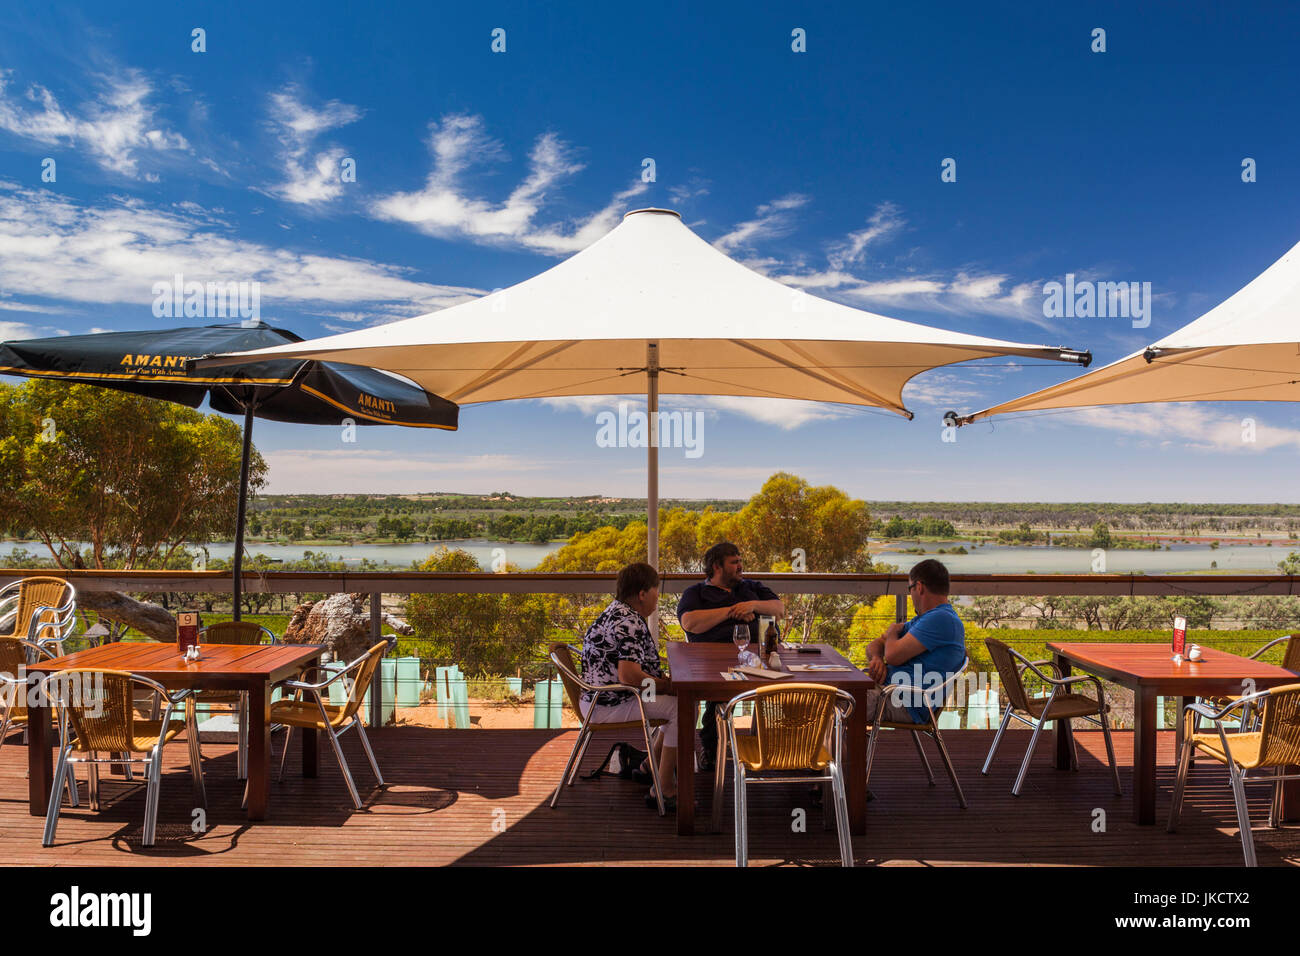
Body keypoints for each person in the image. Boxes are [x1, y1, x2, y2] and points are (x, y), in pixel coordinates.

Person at [675, 541, 785, 770]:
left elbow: (779, 609)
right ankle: (712, 752)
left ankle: (794, 752)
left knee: (794, 692)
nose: (740, 567)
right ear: (717, 567)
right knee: (720, 699)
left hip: (760, 663)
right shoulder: (696, 593)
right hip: (714, 665)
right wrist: (731, 612)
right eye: (734, 562)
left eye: (740, 561)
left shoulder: (751, 588)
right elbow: (689, 622)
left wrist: (752, 605)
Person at [579, 562, 678, 810]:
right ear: (642, 594)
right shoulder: (629, 622)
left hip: (595, 700)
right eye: (656, 591)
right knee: (681, 709)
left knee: (677, 704)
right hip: (609, 703)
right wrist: (665, 687)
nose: (659, 597)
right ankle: (663, 789)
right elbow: (629, 675)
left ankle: (648, 768)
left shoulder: (616, 611)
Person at [864, 559, 966, 724]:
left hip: (902, 702)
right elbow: (874, 645)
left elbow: (892, 656)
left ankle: (836, 750)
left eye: (909, 589)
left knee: (829, 703)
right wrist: (876, 658)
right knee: (829, 696)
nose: (910, 595)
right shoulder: (923, 620)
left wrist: (891, 633)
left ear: (919, 587)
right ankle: (840, 750)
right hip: (890, 693)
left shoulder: (941, 619)